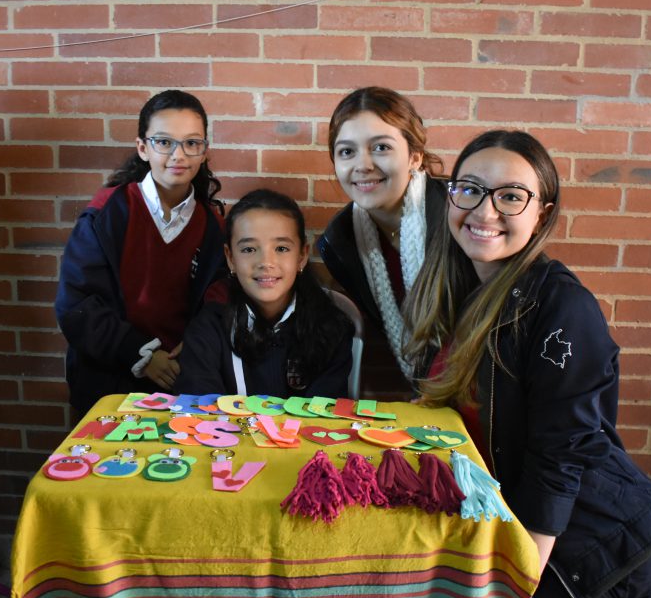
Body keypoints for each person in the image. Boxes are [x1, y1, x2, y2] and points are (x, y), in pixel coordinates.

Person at [402, 131, 651, 598]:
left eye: (510, 196)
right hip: (507, 522)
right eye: (470, 189)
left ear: (542, 214)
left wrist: (512, 597)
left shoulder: (561, 308)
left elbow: (557, 465)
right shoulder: (457, 287)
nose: (485, 210)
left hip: (588, 553)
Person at [55, 89, 226, 416]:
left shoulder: (213, 227)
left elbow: (219, 299)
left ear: (204, 151)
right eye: (164, 142)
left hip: (181, 383)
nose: (178, 155)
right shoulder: (107, 214)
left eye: (191, 143)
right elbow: (77, 304)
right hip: (109, 383)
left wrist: (196, 345)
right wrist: (142, 355)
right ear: (142, 148)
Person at [317, 86, 447, 386]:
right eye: (347, 152)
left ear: (415, 157)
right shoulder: (340, 242)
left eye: (381, 148)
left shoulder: (458, 213)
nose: (363, 165)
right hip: (424, 390)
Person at [175, 189, 353, 398]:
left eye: (281, 248)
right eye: (249, 249)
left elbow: (326, 415)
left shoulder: (332, 328)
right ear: (230, 258)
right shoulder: (208, 330)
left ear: (302, 256)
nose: (266, 262)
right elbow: (199, 411)